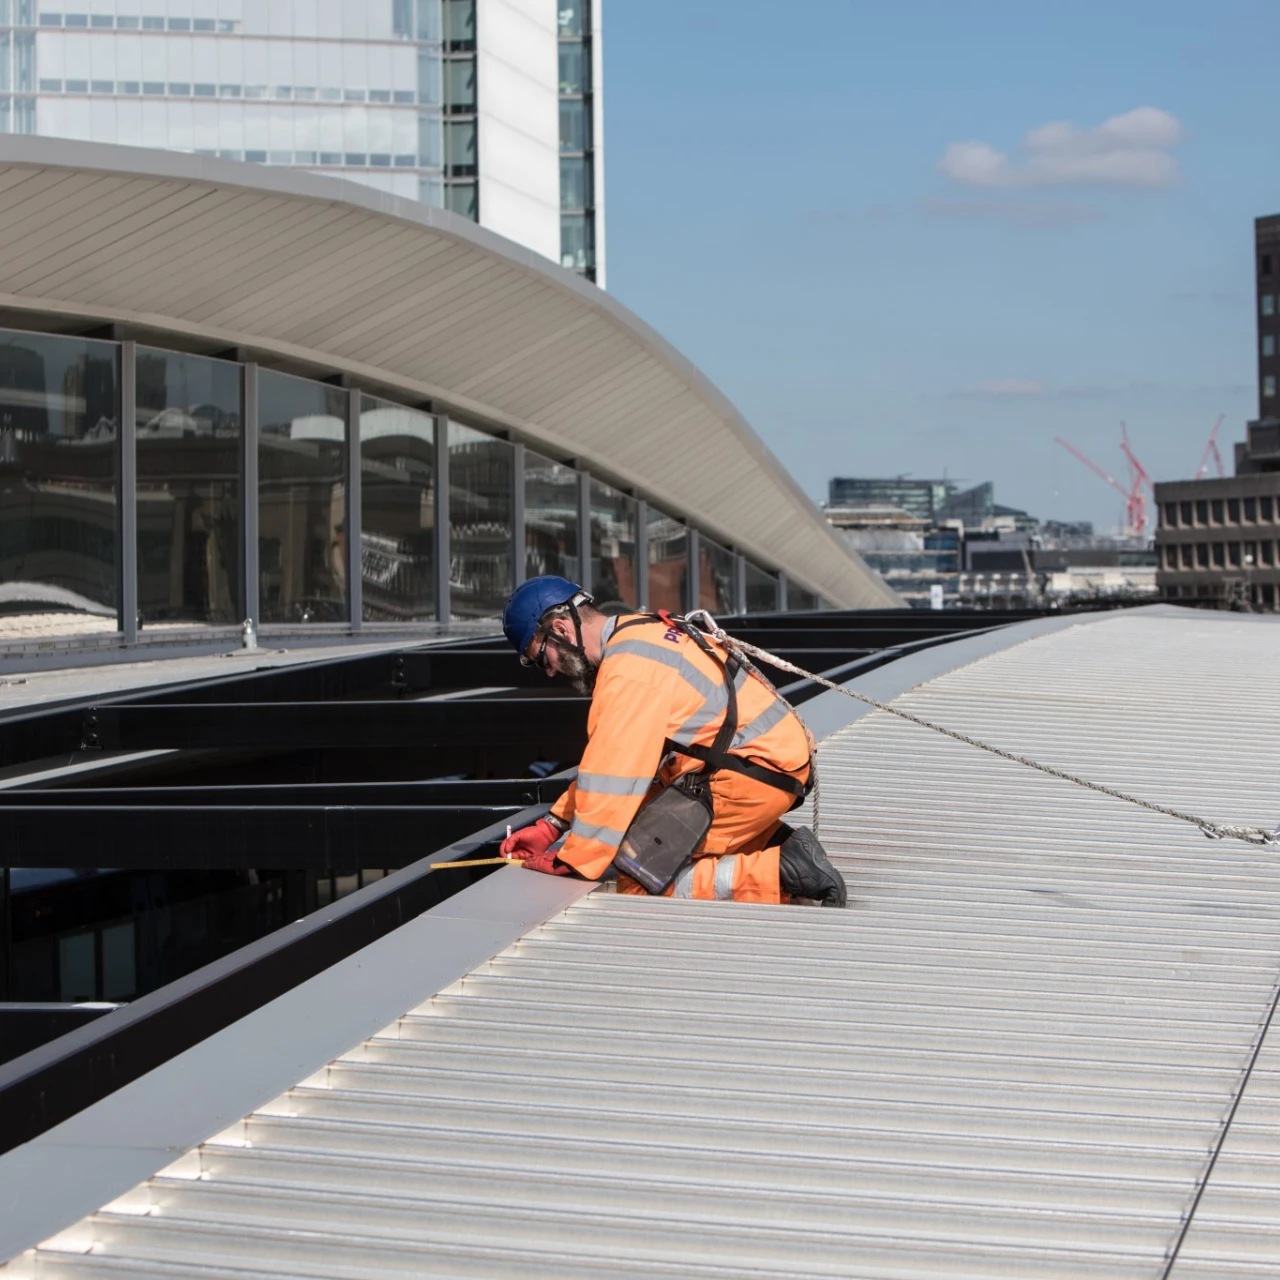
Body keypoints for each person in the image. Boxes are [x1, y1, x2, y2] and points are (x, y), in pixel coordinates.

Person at [498, 576, 846, 906]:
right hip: (766, 764)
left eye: (542, 656)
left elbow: (615, 772)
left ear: (560, 629)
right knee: (639, 824)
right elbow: (605, 770)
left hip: (748, 777)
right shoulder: (643, 630)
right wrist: (552, 825)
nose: (549, 670)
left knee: (638, 876)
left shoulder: (628, 671)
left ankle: (782, 873)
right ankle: (776, 845)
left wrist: (573, 859)